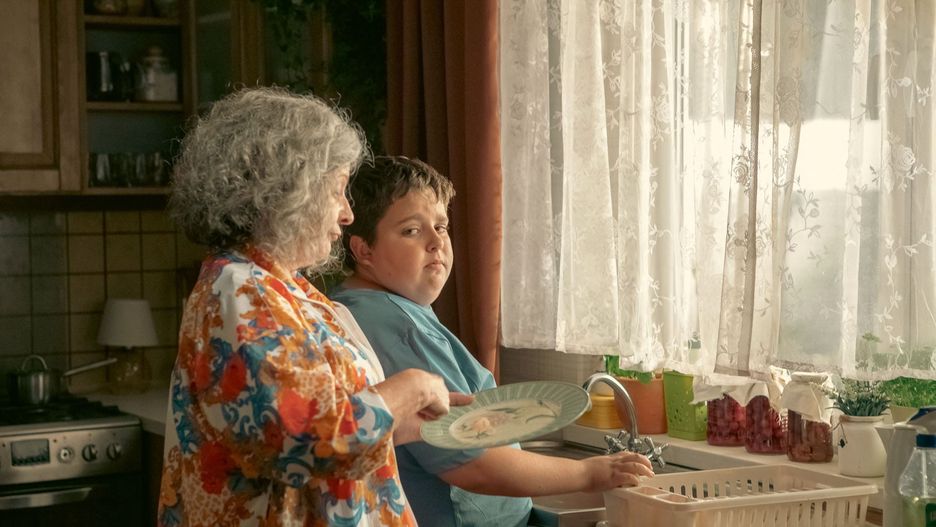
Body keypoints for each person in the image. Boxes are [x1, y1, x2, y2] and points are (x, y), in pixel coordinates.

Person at [158, 88, 470, 526]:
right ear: (286, 192)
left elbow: (324, 428)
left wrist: (406, 420)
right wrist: (412, 388)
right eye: (338, 191)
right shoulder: (241, 291)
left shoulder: (282, 287)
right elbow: (305, 444)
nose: (347, 214)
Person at [330, 156, 655, 527]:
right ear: (363, 250)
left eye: (441, 226)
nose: (436, 242)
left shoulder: (359, 306)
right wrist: (590, 473)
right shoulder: (399, 326)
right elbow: (472, 465)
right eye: (411, 231)